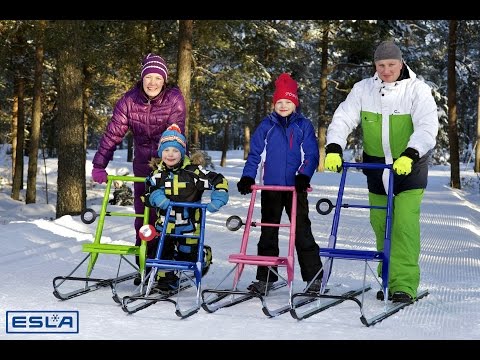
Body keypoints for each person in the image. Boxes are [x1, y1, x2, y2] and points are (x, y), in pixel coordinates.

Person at [324, 40, 439, 303]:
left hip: (409, 167)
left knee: (404, 225)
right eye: (381, 65)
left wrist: (410, 153)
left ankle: (404, 285)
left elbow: (426, 126)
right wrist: (333, 147)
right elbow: (343, 118)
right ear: (375, 66)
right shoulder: (364, 89)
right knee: (380, 224)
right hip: (375, 168)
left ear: (400, 63)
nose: (386, 70)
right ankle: (387, 277)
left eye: (391, 64)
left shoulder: (416, 90)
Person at [91, 53, 186, 285]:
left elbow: (175, 133)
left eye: (157, 77)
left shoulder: (174, 99)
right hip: (142, 164)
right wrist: (99, 164)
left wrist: (167, 167)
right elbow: (113, 134)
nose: (152, 82)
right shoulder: (128, 101)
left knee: (168, 215)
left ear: (164, 80)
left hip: (170, 162)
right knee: (144, 215)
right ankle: (145, 262)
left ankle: (166, 269)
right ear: (142, 78)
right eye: (148, 77)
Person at [237, 73, 323, 294]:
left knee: (301, 231)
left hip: (295, 189)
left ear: (295, 103)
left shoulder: (303, 126)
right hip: (270, 189)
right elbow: (255, 155)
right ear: (274, 104)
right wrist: (248, 177)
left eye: (288, 102)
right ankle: (266, 277)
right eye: (279, 102)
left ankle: (313, 277)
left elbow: (311, 155)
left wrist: (304, 175)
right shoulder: (266, 126)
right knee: (268, 232)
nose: (283, 106)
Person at [143, 124, 229, 293]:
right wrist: (156, 197)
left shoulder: (194, 173)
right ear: (161, 153)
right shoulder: (157, 175)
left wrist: (218, 198)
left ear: (182, 152)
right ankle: (166, 280)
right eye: (166, 151)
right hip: (165, 226)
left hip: (189, 225)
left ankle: (203, 256)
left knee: (187, 255)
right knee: (160, 253)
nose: (170, 155)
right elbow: (146, 193)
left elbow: (218, 180)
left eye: (175, 151)